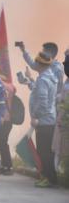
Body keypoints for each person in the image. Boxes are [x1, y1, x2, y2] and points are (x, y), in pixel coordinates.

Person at [29, 52, 58, 187]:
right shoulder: (52, 77)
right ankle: (51, 177)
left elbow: (42, 102)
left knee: (43, 151)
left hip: (43, 121)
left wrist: (35, 116)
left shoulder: (43, 80)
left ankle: (48, 178)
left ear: (40, 64)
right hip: (50, 120)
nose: (35, 65)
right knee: (48, 151)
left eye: (37, 63)